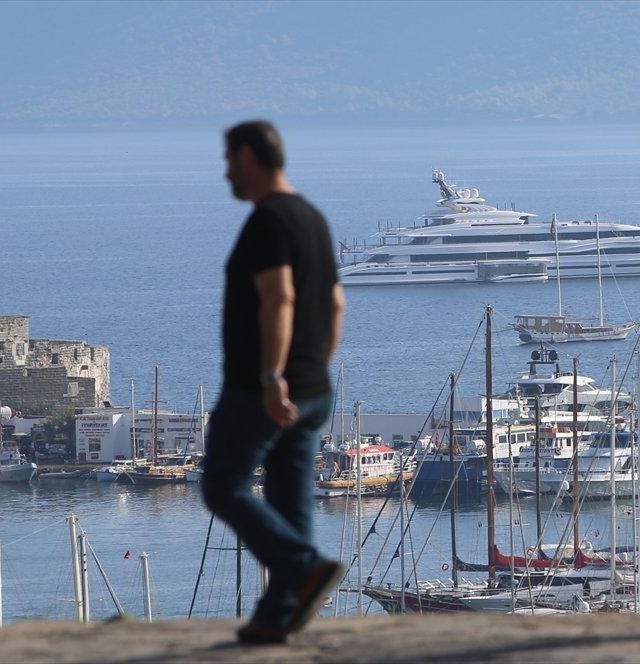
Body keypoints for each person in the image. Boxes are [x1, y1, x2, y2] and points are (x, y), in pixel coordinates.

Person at [202, 119, 347, 644]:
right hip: (313, 389)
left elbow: (279, 297)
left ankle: (302, 565)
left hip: (261, 389)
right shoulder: (312, 218)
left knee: (222, 486)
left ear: (247, 157)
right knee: (291, 503)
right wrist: (315, 371)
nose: (226, 173)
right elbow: (335, 304)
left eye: (228, 161)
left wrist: (271, 377)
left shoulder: (267, 221)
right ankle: (279, 617)